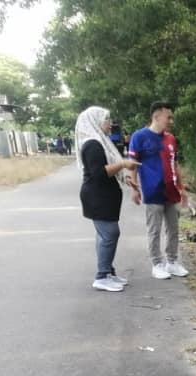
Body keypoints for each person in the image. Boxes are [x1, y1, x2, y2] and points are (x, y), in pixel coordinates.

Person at [75, 106, 140, 292]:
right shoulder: (92, 144)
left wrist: (125, 176)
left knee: (104, 235)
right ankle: (102, 276)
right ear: (95, 122)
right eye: (106, 119)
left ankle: (108, 271)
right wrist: (122, 164)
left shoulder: (100, 142)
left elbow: (108, 169)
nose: (110, 124)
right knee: (110, 233)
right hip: (97, 197)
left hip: (103, 197)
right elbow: (98, 173)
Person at [128, 102, 189, 279]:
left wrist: (182, 188)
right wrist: (134, 188)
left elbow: (174, 164)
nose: (171, 120)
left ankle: (172, 261)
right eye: (168, 117)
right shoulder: (139, 137)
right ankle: (157, 264)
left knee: (173, 228)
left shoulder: (170, 139)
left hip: (172, 191)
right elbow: (132, 165)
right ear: (156, 117)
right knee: (154, 230)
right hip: (152, 191)